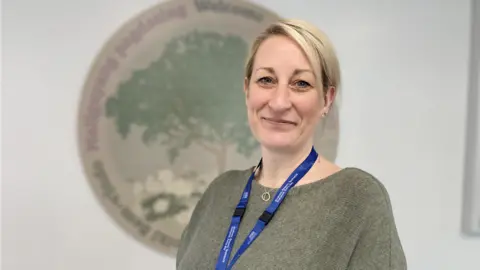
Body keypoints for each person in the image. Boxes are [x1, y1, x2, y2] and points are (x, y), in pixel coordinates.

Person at [176, 18, 407, 270]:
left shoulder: (357, 198)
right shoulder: (218, 193)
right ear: (247, 90)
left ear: (327, 99)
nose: (279, 102)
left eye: (301, 84)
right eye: (266, 80)